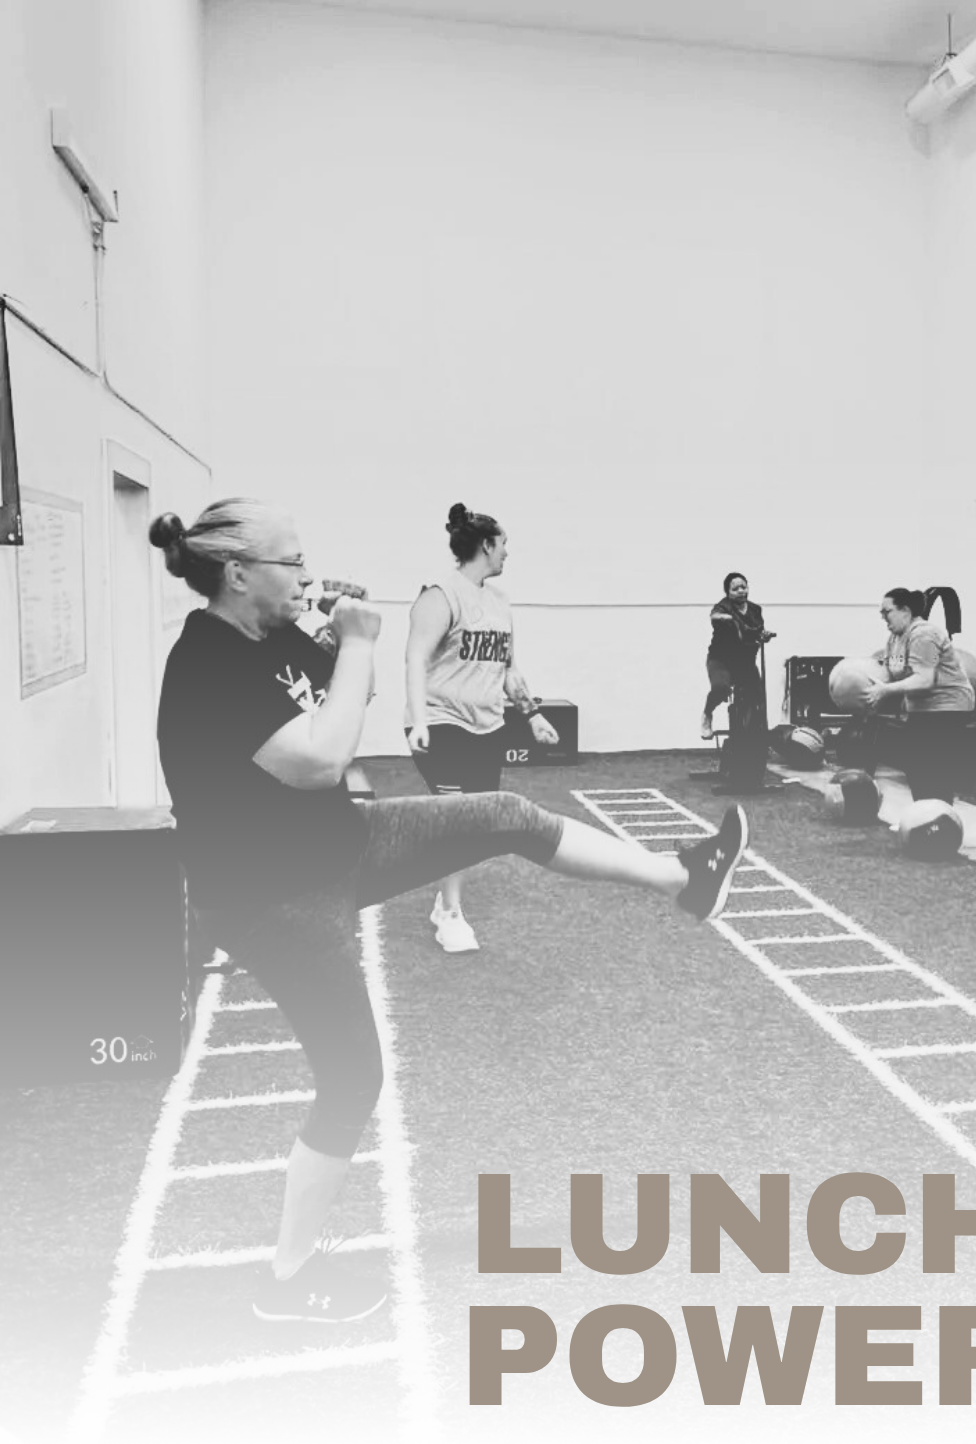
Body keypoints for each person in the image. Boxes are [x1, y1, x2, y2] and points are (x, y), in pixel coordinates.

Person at [150, 498, 748, 1324]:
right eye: (292, 563)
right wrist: (360, 642)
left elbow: (323, 702)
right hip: (270, 894)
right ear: (238, 573)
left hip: (337, 844)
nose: (307, 574)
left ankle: (686, 879)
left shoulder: (274, 635)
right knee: (353, 1075)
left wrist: (329, 639)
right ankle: (286, 1280)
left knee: (506, 815)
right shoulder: (206, 662)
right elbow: (321, 757)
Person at [404, 502, 555, 953]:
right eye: (504, 544)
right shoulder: (440, 596)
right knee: (458, 818)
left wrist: (533, 714)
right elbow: (414, 657)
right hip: (442, 720)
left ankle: (443, 900)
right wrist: (420, 718)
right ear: (486, 546)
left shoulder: (501, 604)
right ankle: (450, 914)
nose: (508, 553)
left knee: (477, 826)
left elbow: (508, 670)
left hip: (488, 725)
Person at [857, 587, 976, 803]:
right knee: (914, 764)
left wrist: (885, 691)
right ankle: (924, 817)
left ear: (906, 611)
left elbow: (924, 680)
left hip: (947, 708)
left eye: (887, 611)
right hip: (922, 709)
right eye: (881, 613)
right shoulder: (894, 639)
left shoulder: (924, 635)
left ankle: (938, 820)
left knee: (933, 769)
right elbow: (893, 676)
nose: (883, 617)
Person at [701, 573, 774, 742]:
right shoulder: (723, 606)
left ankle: (757, 737)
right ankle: (707, 714)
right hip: (721, 660)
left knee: (757, 697)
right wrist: (730, 619)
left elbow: (757, 631)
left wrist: (764, 635)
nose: (741, 591)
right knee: (720, 688)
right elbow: (714, 616)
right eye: (735, 589)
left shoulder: (756, 610)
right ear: (728, 592)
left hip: (745, 662)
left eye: (744, 587)